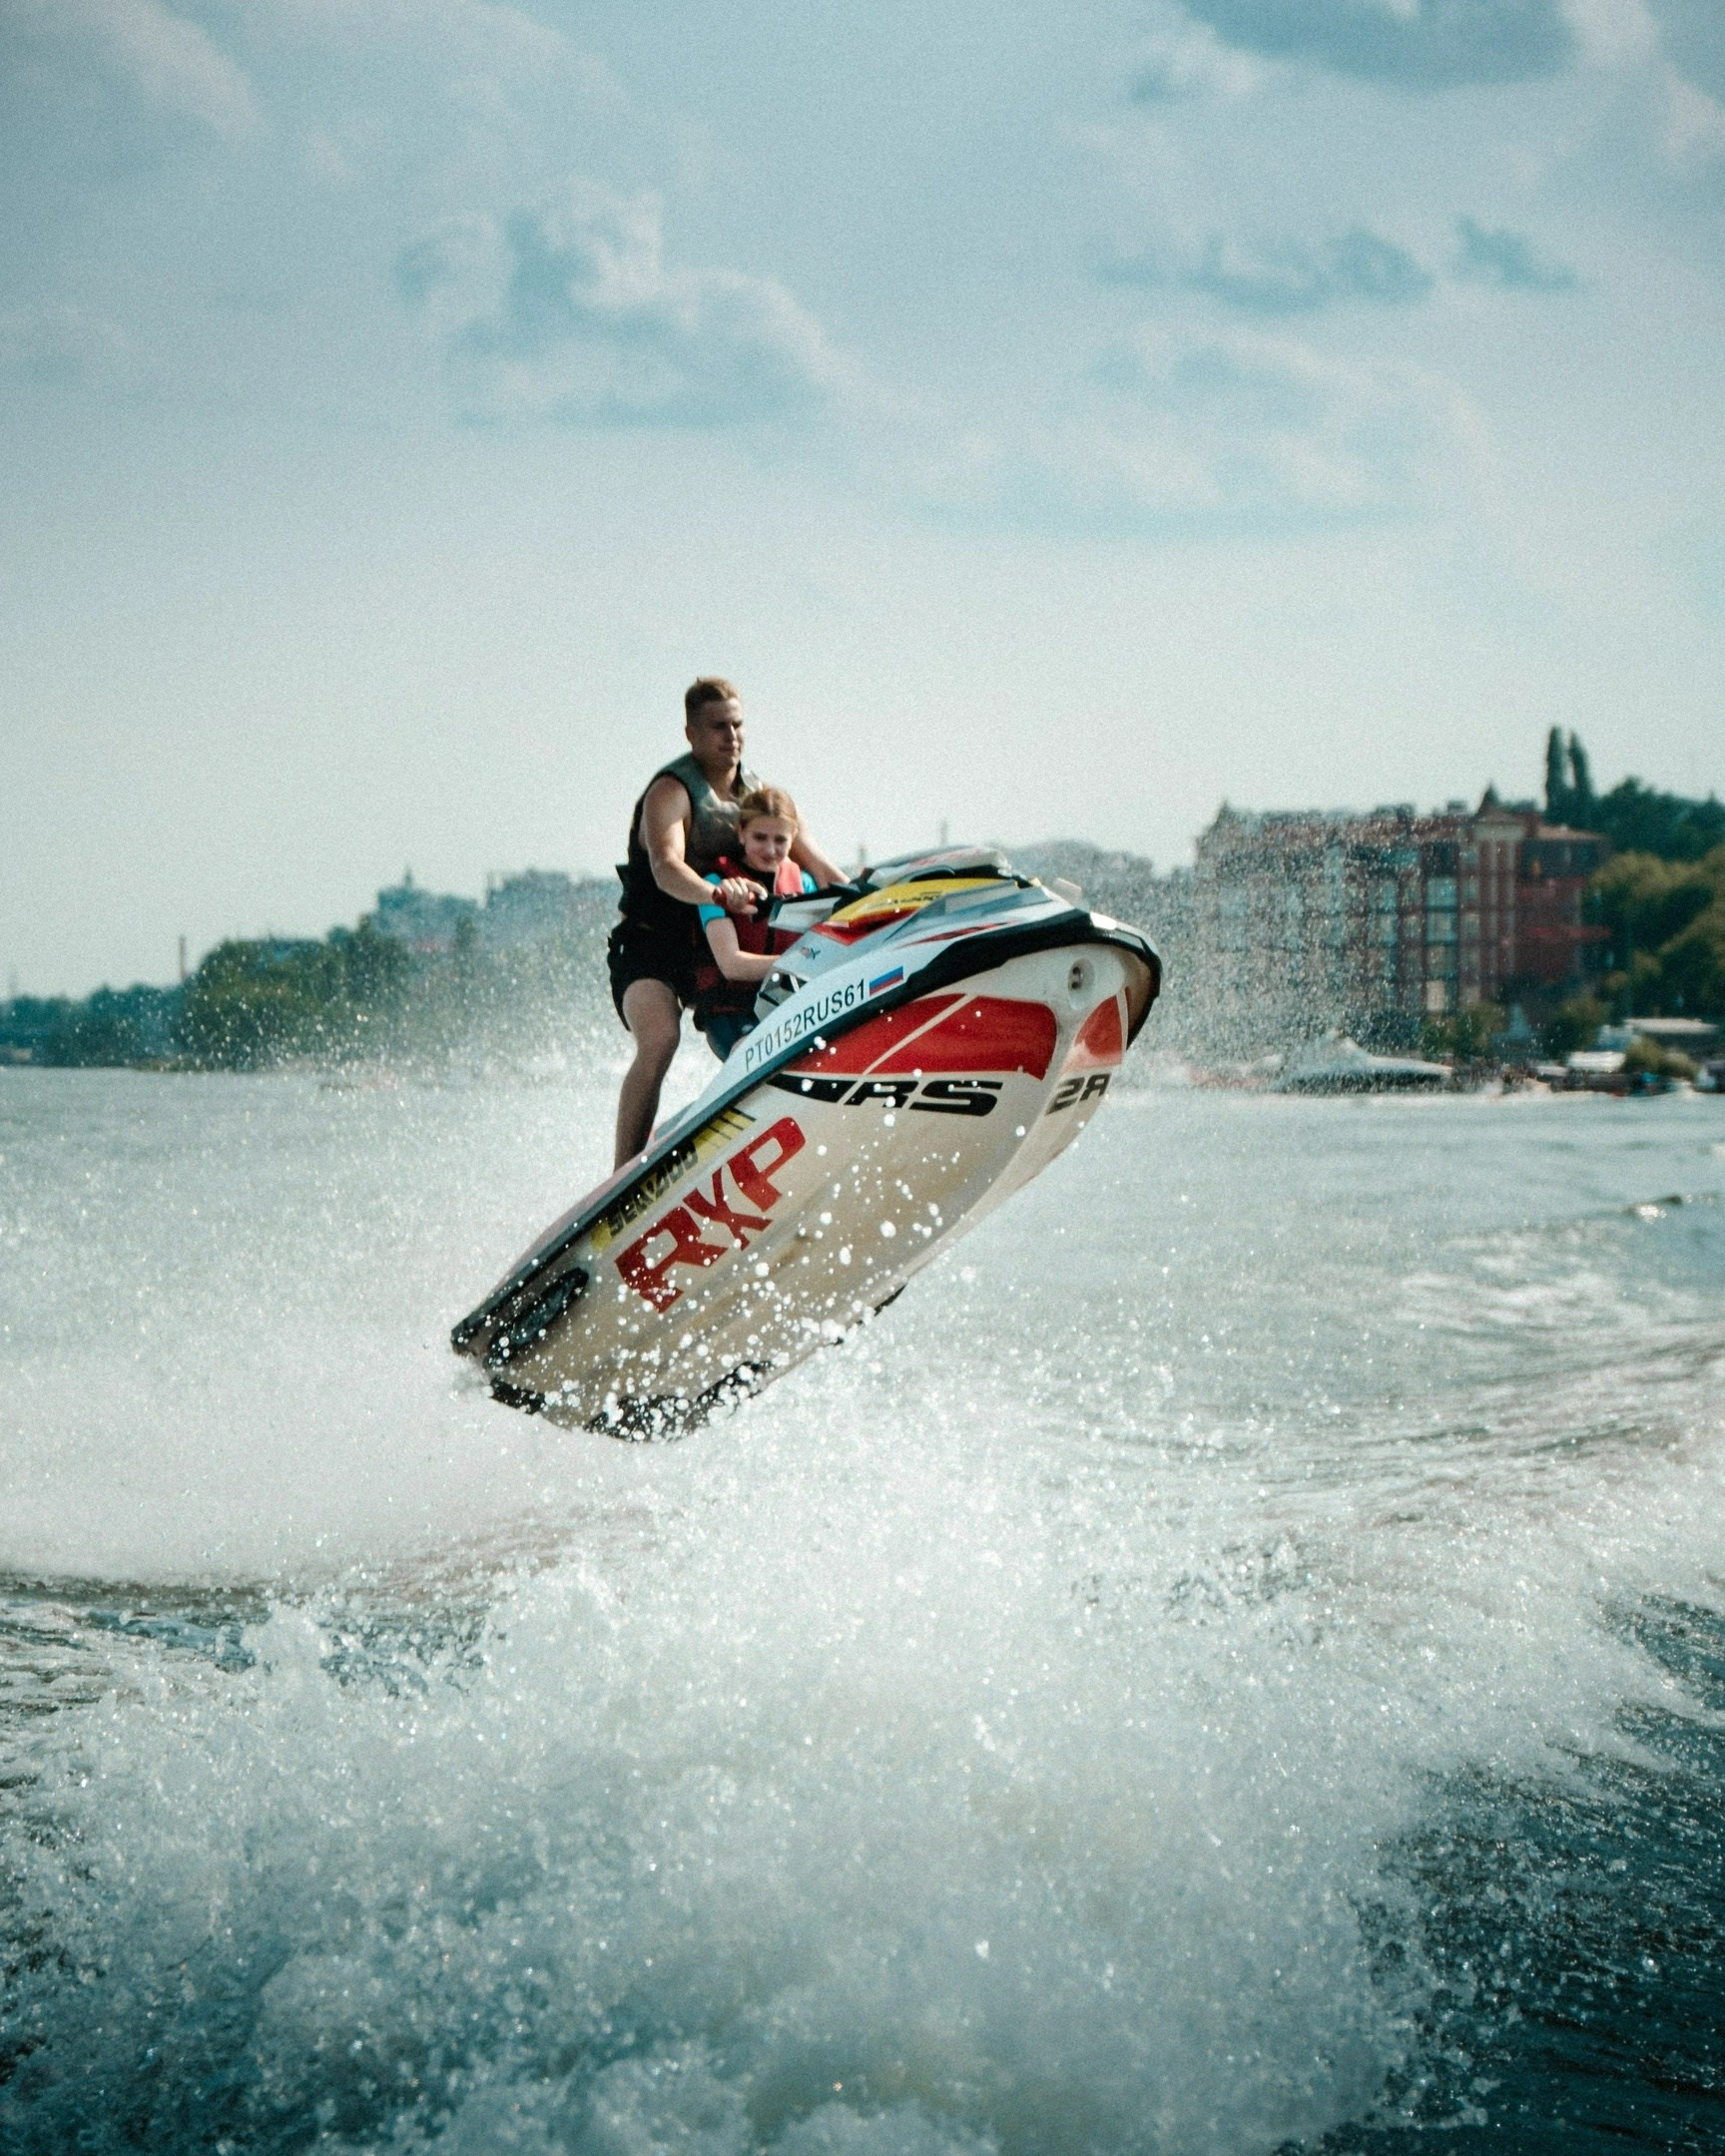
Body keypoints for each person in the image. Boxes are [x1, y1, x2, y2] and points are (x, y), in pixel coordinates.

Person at [609, 680, 840, 1165]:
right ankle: (620, 1176)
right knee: (661, 1039)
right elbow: (666, 867)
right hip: (651, 946)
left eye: (737, 725)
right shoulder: (669, 792)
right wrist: (718, 893)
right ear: (691, 733)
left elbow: (818, 866)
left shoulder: (761, 799)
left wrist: (874, 903)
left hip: (714, 946)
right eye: (718, 727)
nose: (731, 736)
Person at [693, 787, 818, 1060]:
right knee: (752, 1052)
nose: (770, 849)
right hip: (731, 1011)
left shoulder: (805, 884)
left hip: (785, 1007)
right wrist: (801, 961)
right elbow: (732, 965)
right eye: (759, 837)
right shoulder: (715, 884)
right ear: (741, 833)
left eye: (780, 840)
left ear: (793, 839)